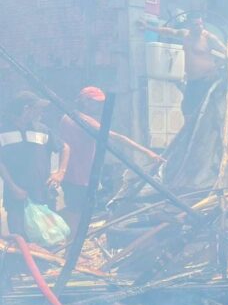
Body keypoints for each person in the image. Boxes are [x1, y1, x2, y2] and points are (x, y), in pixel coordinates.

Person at [57, 87, 164, 232]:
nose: (98, 107)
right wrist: (147, 153)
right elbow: (118, 138)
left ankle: (75, 245)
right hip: (78, 175)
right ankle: (73, 247)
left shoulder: (67, 117)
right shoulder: (83, 120)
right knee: (77, 213)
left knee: (78, 211)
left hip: (78, 175)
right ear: (84, 101)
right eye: (94, 103)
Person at [0, 91, 68, 238]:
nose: (41, 112)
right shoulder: (3, 130)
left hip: (43, 192)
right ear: (26, 109)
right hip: (16, 196)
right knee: (19, 239)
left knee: (47, 235)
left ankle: (45, 261)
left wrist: (60, 173)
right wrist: (13, 187)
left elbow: (65, 148)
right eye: (38, 108)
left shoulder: (42, 129)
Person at [153, 17, 228, 120]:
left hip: (206, 80)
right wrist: (149, 28)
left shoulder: (209, 38)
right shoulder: (185, 35)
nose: (199, 27)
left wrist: (215, 69)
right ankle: (190, 132)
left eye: (201, 24)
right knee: (187, 108)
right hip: (192, 80)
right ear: (190, 26)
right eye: (196, 25)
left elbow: (227, 53)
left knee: (202, 109)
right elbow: (170, 32)